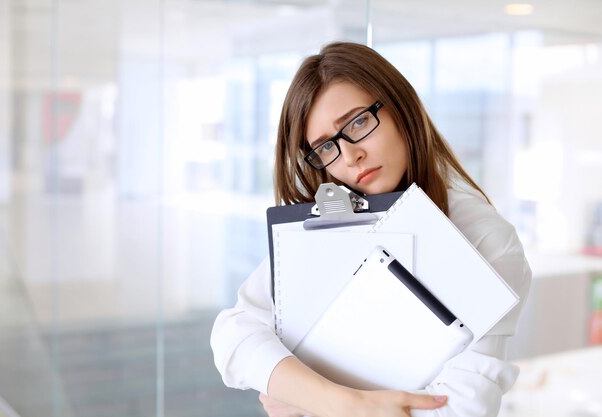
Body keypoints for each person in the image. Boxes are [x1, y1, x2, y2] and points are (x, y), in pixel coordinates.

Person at [210, 41, 531, 417]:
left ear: (401, 108)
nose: (349, 156)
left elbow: (460, 408)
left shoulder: (487, 240)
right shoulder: (332, 223)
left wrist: (297, 393)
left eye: (358, 122)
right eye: (326, 147)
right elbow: (233, 336)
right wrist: (342, 403)